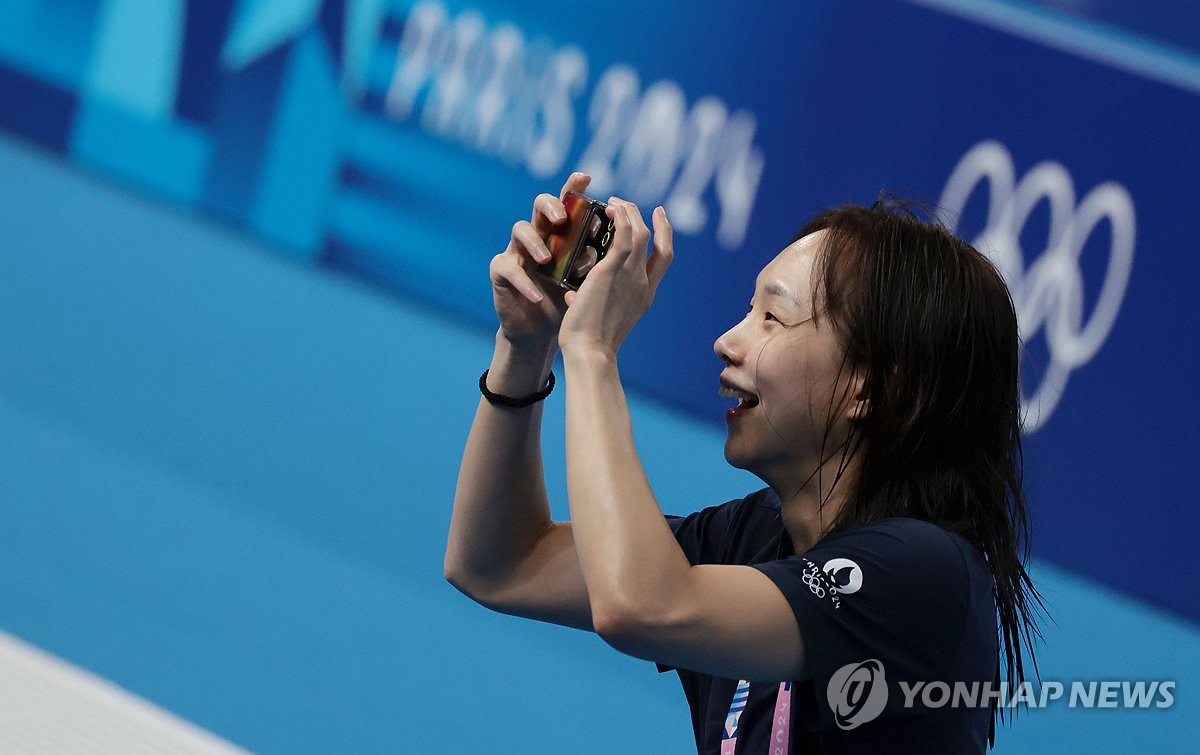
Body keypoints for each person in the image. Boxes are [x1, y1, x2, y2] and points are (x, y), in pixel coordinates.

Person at [445, 172, 1043, 753]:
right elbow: (500, 563)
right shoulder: (758, 536)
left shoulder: (922, 576)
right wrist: (524, 348)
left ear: (872, 389)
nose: (728, 341)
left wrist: (593, 352)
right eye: (747, 309)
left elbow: (643, 607)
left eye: (772, 319)